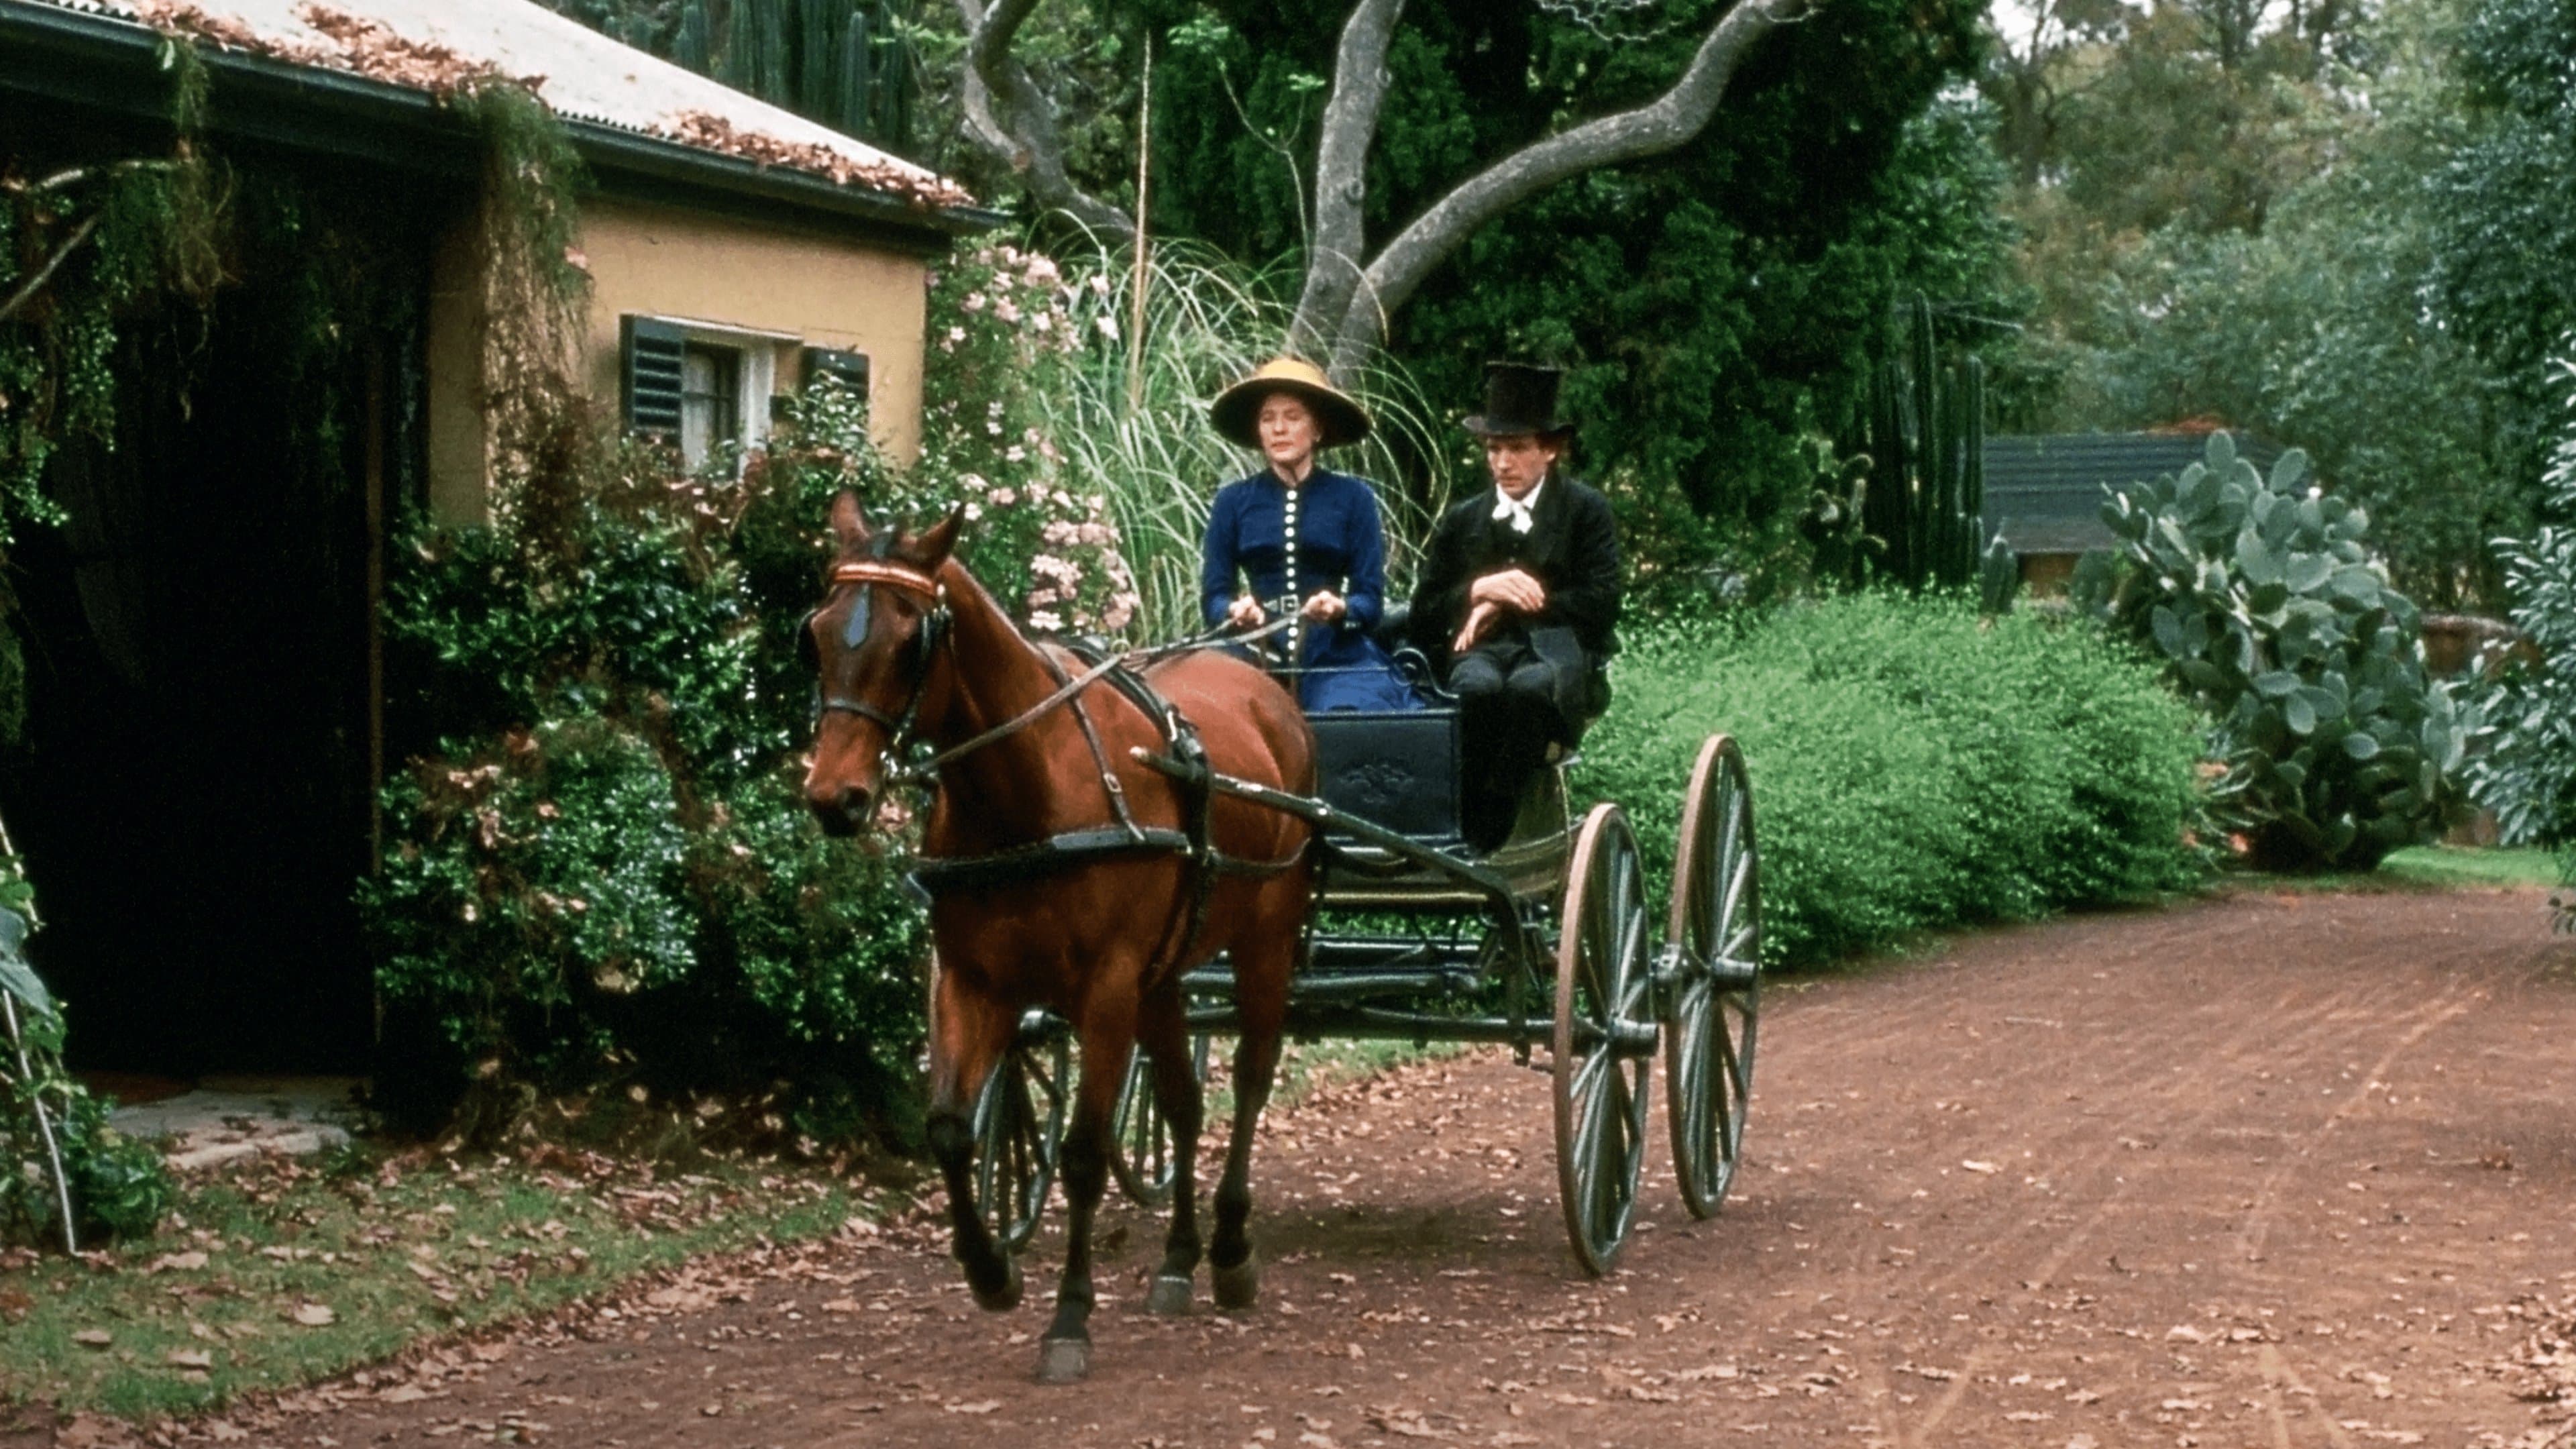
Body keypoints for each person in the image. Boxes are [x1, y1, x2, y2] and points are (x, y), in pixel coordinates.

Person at [1409, 362, 1622, 850]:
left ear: (1549, 450)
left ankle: (1492, 836)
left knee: (1529, 691)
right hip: (1478, 654)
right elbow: (1425, 612)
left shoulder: (1585, 511)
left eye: (1517, 448)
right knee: (1476, 689)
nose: (1503, 462)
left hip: (1558, 654)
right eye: (1493, 449)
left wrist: (1514, 600)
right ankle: (1459, 829)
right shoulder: (1464, 520)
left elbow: (1601, 603)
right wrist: (1479, 591)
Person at [1201, 357, 1424, 714]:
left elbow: (1370, 602)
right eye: (1268, 418)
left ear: (1317, 429)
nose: (1279, 429)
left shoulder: (1354, 498)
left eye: (1292, 417)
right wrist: (1234, 610)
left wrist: (1339, 608)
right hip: (1254, 652)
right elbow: (1213, 598)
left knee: (1346, 714)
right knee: (1211, 711)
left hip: (1335, 654)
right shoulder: (1233, 501)